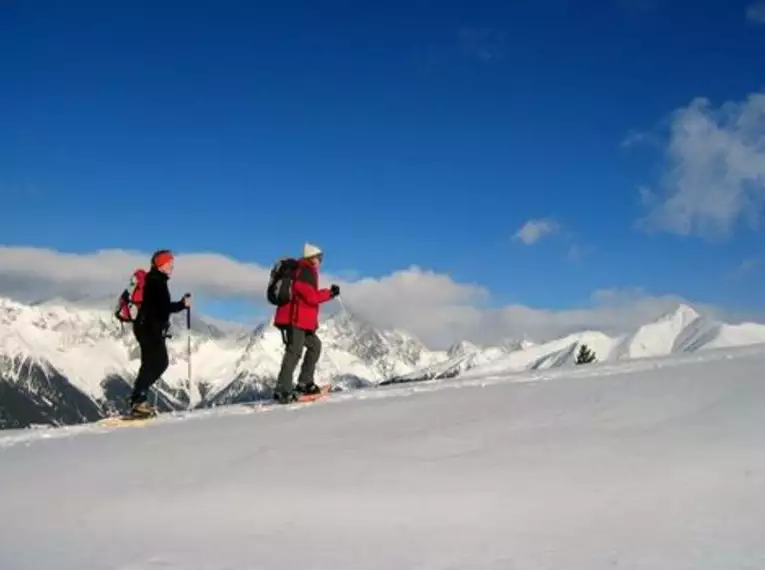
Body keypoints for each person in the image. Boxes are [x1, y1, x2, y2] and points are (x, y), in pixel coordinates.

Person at [273, 242, 339, 403]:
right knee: (294, 352)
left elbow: (309, 295)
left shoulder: (307, 271)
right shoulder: (304, 271)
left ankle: (304, 382)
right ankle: (283, 389)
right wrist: (329, 293)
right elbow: (310, 297)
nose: (320, 261)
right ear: (312, 257)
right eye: (319, 257)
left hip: (303, 320)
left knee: (315, 346)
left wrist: (327, 293)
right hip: (295, 319)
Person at [129, 249, 191, 417]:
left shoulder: (156, 280)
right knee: (157, 364)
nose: (172, 266)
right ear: (161, 264)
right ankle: (138, 402)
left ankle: (138, 401)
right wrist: (181, 305)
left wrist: (179, 305)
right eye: (170, 263)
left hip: (146, 328)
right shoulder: (156, 281)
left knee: (152, 364)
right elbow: (161, 308)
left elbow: (159, 307)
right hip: (150, 329)